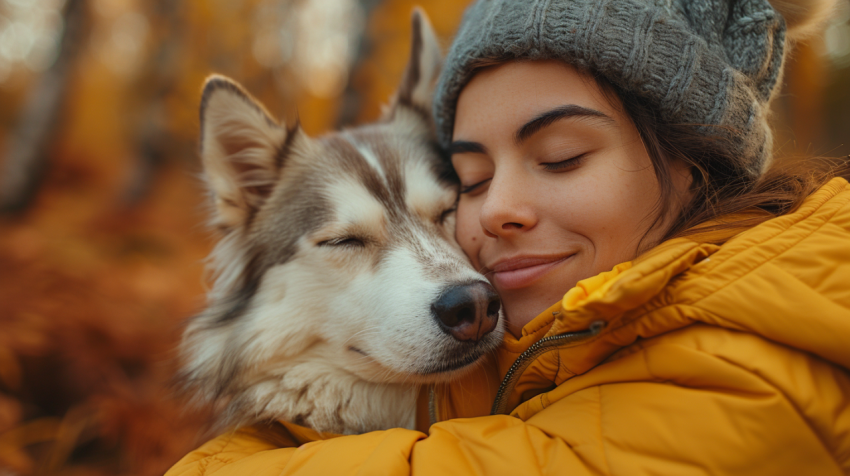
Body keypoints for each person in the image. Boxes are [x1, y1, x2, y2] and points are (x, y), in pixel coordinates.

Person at [166, 0, 850, 474]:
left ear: (695, 162)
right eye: (470, 175)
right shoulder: (565, 336)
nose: (498, 211)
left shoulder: (756, 359)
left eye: (560, 156)